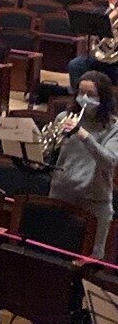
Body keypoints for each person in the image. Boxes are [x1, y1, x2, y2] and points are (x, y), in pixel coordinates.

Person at [50, 71, 118, 257]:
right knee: (57, 252)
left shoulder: (113, 128)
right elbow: (48, 153)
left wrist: (84, 135)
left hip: (94, 201)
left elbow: (109, 161)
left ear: (103, 99)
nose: (84, 99)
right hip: (62, 193)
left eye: (91, 95)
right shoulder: (64, 118)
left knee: (92, 259)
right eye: (81, 93)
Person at [68, 0, 118, 93]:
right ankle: (77, 96)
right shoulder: (99, 13)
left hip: (116, 61)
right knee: (75, 65)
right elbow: (91, 35)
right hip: (98, 57)